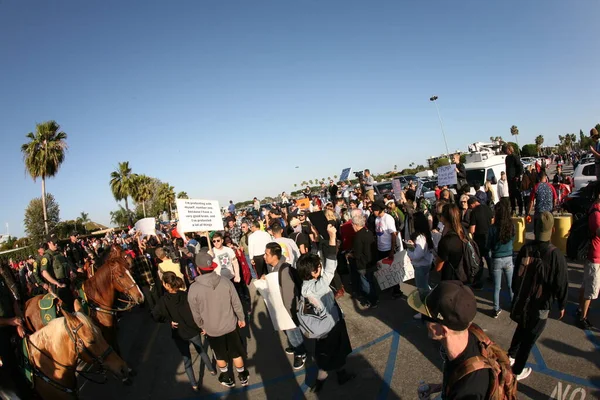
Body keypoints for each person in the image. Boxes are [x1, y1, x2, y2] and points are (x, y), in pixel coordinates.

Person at [508, 212, 568, 381]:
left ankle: (510, 356)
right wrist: (562, 304)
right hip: (541, 304)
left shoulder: (526, 249)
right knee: (530, 337)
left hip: (523, 300)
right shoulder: (556, 255)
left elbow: (516, 276)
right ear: (553, 230)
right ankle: (516, 370)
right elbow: (561, 282)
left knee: (521, 329)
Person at [407, 281, 490, 399]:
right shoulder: (473, 334)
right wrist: (439, 387)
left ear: (442, 331)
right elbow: (458, 375)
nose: (424, 323)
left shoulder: (467, 391)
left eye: (425, 318)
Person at [297, 225, 355, 393]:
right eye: (318, 267)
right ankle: (333, 376)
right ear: (314, 272)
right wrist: (331, 237)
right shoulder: (319, 286)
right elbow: (331, 267)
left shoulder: (305, 287)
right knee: (337, 350)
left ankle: (322, 379)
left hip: (320, 327)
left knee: (325, 352)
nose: (320, 268)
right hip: (332, 324)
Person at [188, 252, 249, 388]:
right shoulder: (226, 281)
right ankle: (242, 376)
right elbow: (236, 302)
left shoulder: (193, 289)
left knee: (220, 355)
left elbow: (196, 313)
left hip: (212, 329)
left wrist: (201, 326)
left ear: (198, 269)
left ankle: (227, 378)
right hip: (230, 325)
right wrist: (241, 317)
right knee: (236, 352)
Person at [152, 272, 216, 391]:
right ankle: (212, 369)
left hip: (179, 334)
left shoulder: (163, 301)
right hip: (193, 330)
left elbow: (155, 315)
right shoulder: (185, 294)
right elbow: (197, 310)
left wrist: (168, 320)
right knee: (201, 350)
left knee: (186, 359)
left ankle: (194, 384)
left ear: (166, 285)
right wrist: (202, 326)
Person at [263, 242, 307, 369]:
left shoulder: (284, 270)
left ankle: (300, 352)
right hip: (282, 308)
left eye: (266, 254)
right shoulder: (275, 268)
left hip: (288, 309)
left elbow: (289, 294)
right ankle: (295, 346)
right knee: (289, 330)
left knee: (292, 330)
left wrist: (290, 313)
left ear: (275, 256)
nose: (264, 257)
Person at [576, 183, 600, 329]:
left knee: (586, 285)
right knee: (591, 289)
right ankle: (583, 317)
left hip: (594, 254)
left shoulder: (595, 209)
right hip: (595, 256)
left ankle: (580, 310)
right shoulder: (596, 213)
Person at [487, 201, 515, 318]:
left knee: (497, 287)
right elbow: (513, 239)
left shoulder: (492, 228)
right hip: (508, 257)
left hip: (496, 258)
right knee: (510, 285)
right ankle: (513, 304)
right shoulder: (511, 226)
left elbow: (489, 243)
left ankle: (496, 308)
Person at [405, 211, 433, 320]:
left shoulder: (420, 237)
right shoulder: (425, 235)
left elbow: (418, 255)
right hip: (425, 264)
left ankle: (424, 311)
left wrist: (409, 250)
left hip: (421, 265)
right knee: (424, 286)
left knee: (422, 289)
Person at [372, 200, 402, 298]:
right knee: (383, 270)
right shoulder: (377, 219)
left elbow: (393, 234)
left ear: (380, 210)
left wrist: (392, 250)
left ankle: (397, 290)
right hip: (380, 248)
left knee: (391, 271)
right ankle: (388, 286)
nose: (373, 212)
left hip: (388, 248)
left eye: (375, 210)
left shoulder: (388, 218)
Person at [350, 210, 378, 308]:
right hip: (371, 261)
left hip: (362, 264)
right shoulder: (368, 232)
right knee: (371, 281)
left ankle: (371, 300)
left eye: (352, 225)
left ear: (356, 225)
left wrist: (350, 255)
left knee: (365, 283)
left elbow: (357, 254)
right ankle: (375, 298)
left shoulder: (358, 236)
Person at [40, 234, 75, 312]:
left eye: (56, 242)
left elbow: (66, 264)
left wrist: (71, 271)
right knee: (69, 307)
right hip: (58, 286)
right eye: (54, 242)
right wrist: (56, 283)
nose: (56, 244)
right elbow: (44, 273)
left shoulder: (59, 253)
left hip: (67, 281)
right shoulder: (47, 256)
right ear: (49, 243)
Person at [435, 204, 466, 281]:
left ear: (444, 217)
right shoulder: (462, 231)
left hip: (450, 278)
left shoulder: (446, 241)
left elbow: (438, 267)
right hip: (463, 273)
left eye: (441, 214)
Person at [468, 196, 493, 289]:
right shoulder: (486, 207)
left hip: (479, 238)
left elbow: (472, 229)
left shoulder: (474, 212)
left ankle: (478, 279)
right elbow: (492, 220)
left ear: (472, 204)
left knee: (479, 259)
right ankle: (492, 275)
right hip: (488, 236)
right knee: (489, 257)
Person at [505, 143, 524, 216]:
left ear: (509, 149)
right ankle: (513, 210)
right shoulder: (507, 158)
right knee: (511, 196)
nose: (505, 151)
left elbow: (520, 167)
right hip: (509, 180)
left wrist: (517, 176)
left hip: (515, 180)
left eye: (506, 149)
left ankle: (520, 211)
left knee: (518, 196)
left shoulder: (515, 157)